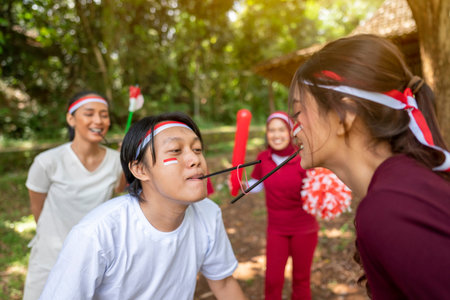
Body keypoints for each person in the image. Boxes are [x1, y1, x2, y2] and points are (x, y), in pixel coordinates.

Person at [289, 34, 450, 299]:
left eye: (298, 112)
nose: (294, 130)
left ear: (346, 114)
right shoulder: (404, 185)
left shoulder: (390, 207)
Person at [39, 112, 247, 300]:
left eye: (197, 149)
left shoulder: (208, 214)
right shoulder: (98, 234)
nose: (195, 159)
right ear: (140, 170)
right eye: (175, 150)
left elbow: (224, 283)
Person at [23, 91, 126, 300]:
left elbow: (119, 189)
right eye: (89, 113)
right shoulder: (47, 162)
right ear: (71, 119)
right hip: (49, 256)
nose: (98, 120)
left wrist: (126, 160)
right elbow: (38, 211)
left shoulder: (116, 160)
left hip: (95, 257)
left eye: (104, 115)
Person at [248, 111, 318, 300]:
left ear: (290, 133)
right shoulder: (263, 158)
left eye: (281, 130)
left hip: (304, 228)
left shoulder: (304, 158)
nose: (276, 135)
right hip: (276, 229)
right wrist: (237, 184)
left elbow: (317, 191)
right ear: (266, 133)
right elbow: (254, 186)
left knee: (301, 280)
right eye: (271, 130)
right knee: (272, 280)